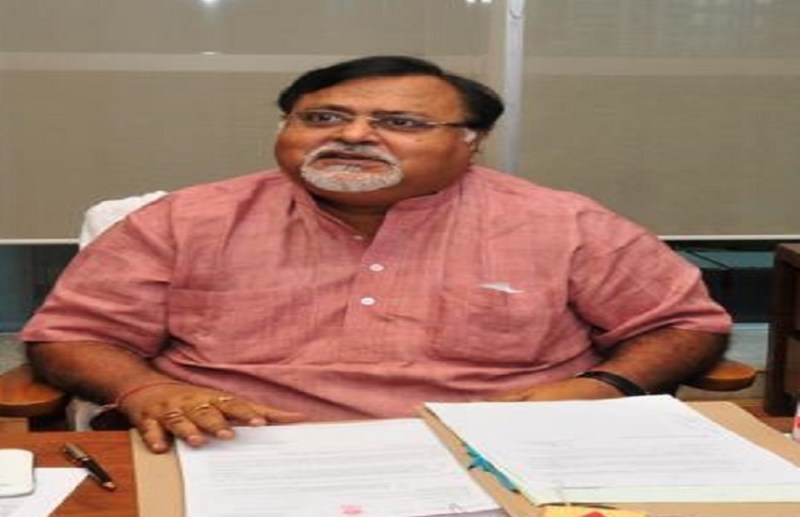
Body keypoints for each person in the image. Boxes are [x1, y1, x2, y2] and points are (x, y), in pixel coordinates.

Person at [20, 55, 731, 453]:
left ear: (471, 142)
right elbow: (73, 334)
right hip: (234, 446)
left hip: (503, 449)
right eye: (323, 117)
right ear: (286, 129)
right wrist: (145, 390)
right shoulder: (188, 218)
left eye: (400, 122)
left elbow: (683, 324)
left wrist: (606, 387)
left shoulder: (562, 222)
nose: (355, 136)